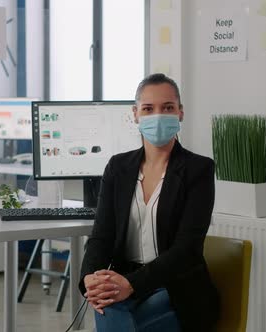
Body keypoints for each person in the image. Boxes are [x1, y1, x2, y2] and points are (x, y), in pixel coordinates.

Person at [79, 74, 220, 332]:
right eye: (148, 108)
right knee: (111, 306)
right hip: (122, 279)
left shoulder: (198, 170)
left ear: (180, 113)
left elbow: (186, 250)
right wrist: (90, 277)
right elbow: (101, 237)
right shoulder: (118, 167)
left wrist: (130, 285)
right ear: (135, 114)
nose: (158, 115)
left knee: (118, 315)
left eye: (167, 107)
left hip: (177, 287)